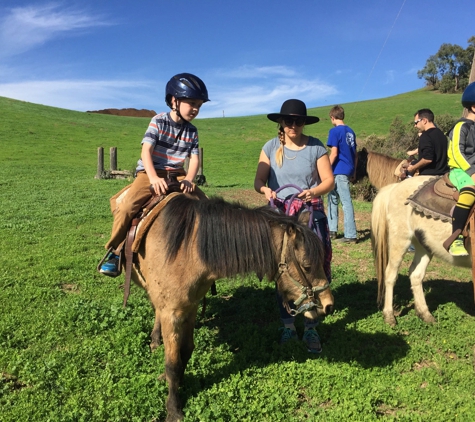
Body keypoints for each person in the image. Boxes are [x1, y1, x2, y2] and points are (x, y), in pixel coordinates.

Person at [99, 73, 209, 276]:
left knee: (208, 206)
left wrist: (189, 179)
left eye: (199, 105)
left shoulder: (192, 131)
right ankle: (114, 252)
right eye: (191, 103)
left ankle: (207, 253)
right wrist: (153, 178)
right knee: (127, 207)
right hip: (151, 171)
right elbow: (146, 152)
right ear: (174, 101)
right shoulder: (158, 121)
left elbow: (194, 159)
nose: (195, 109)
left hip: (177, 174)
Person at [254, 99, 334, 353]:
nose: (294, 125)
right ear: (281, 122)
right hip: (279, 219)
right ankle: (288, 325)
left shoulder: (316, 147)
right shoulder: (269, 147)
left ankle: (311, 327)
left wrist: (313, 192)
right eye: (289, 121)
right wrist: (265, 189)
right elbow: (259, 180)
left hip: (309, 217)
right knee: (284, 271)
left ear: (304, 123)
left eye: (298, 121)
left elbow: (329, 181)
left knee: (311, 268)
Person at [445, 82, 475, 257]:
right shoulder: (460, 127)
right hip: (459, 169)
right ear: (473, 107)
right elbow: (456, 152)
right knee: (470, 191)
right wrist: (471, 172)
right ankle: (456, 237)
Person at [326, 105, 358, 243]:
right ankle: (331, 230)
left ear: (332, 117)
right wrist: (354, 171)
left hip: (338, 170)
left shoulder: (334, 131)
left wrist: (325, 167)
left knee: (345, 202)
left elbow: (334, 153)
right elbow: (355, 155)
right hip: (348, 169)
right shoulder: (351, 132)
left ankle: (350, 235)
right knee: (332, 199)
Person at [406, 109, 449, 176]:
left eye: (416, 122)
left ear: (424, 121)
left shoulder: (426, 136)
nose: (415, 126)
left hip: (428, 175)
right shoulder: (441, 134)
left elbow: (427, 159)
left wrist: (413, 168)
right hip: (444, 175)